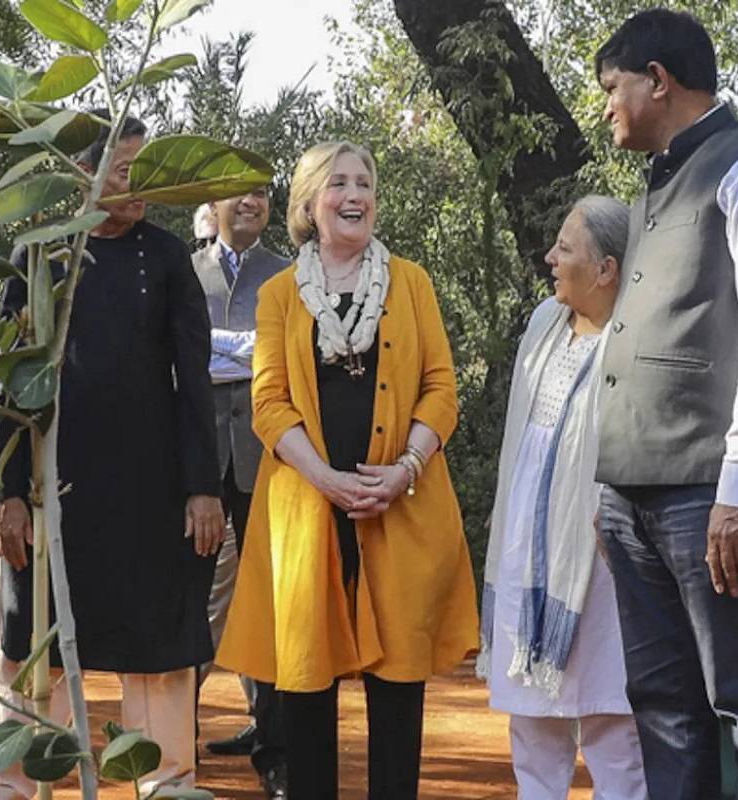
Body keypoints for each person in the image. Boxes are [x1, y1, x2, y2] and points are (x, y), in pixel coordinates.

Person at [215, 141, 479, 799]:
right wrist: (326, 479)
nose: (354, 195)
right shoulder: (280, 294)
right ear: (309, 203)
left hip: (400, 505)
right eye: (339, 183)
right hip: (307, 512)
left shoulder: (411, 283)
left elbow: (441, 389)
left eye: (365, 182)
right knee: (305, 681)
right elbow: (269, 404)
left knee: (399, 686)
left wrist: (405, 469)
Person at [591, 9, 738, 799]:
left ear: (658, 79)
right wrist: (608, 488)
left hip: (710, 493)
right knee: (662, 707)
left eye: (612, 87)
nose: (606, 106)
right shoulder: (656, 183)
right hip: (635, 494)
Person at [0, 112, 226, 799]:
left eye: (147, 172)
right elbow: (8, 382)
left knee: (159, 645)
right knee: (37, 638)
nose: (137, 185)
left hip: (154, 493)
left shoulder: (170, 257)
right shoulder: (40, 255)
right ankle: (13, 787)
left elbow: (193, 376)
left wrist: (201, 486)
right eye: (124, 171)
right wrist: (7, 493)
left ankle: (167, 785)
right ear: (83, 174)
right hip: (54, 493)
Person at [479, 197, 646, 798]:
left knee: (612, 724)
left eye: (566, 249)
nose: (550, 258)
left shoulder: (635, 342)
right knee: (533, 727)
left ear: (606, 269)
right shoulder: (541, 325)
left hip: (601, 556)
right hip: (528, 543)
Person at [193, 186, 289, 797]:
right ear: (213, 203)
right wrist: (243, 350)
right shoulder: (182, 270)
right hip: (196, 460)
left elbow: (279, 356)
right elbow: (181, 356)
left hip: (269, 456)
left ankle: (275, 754)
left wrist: (216, 350)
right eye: (239, 192)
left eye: (262, 193)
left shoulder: (287, 274)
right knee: (188, 599)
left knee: (271, 604)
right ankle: (171, 745)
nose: (252, 201)